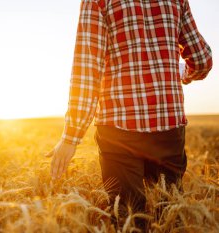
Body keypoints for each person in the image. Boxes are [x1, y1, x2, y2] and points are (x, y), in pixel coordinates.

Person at [45, 0, 212, 225]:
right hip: (169, 126)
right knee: (170, 214)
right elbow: (201, 60)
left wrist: (70, 138)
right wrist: (180, 72)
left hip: (118, 131)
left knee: (128, 219)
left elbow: (88, 71)